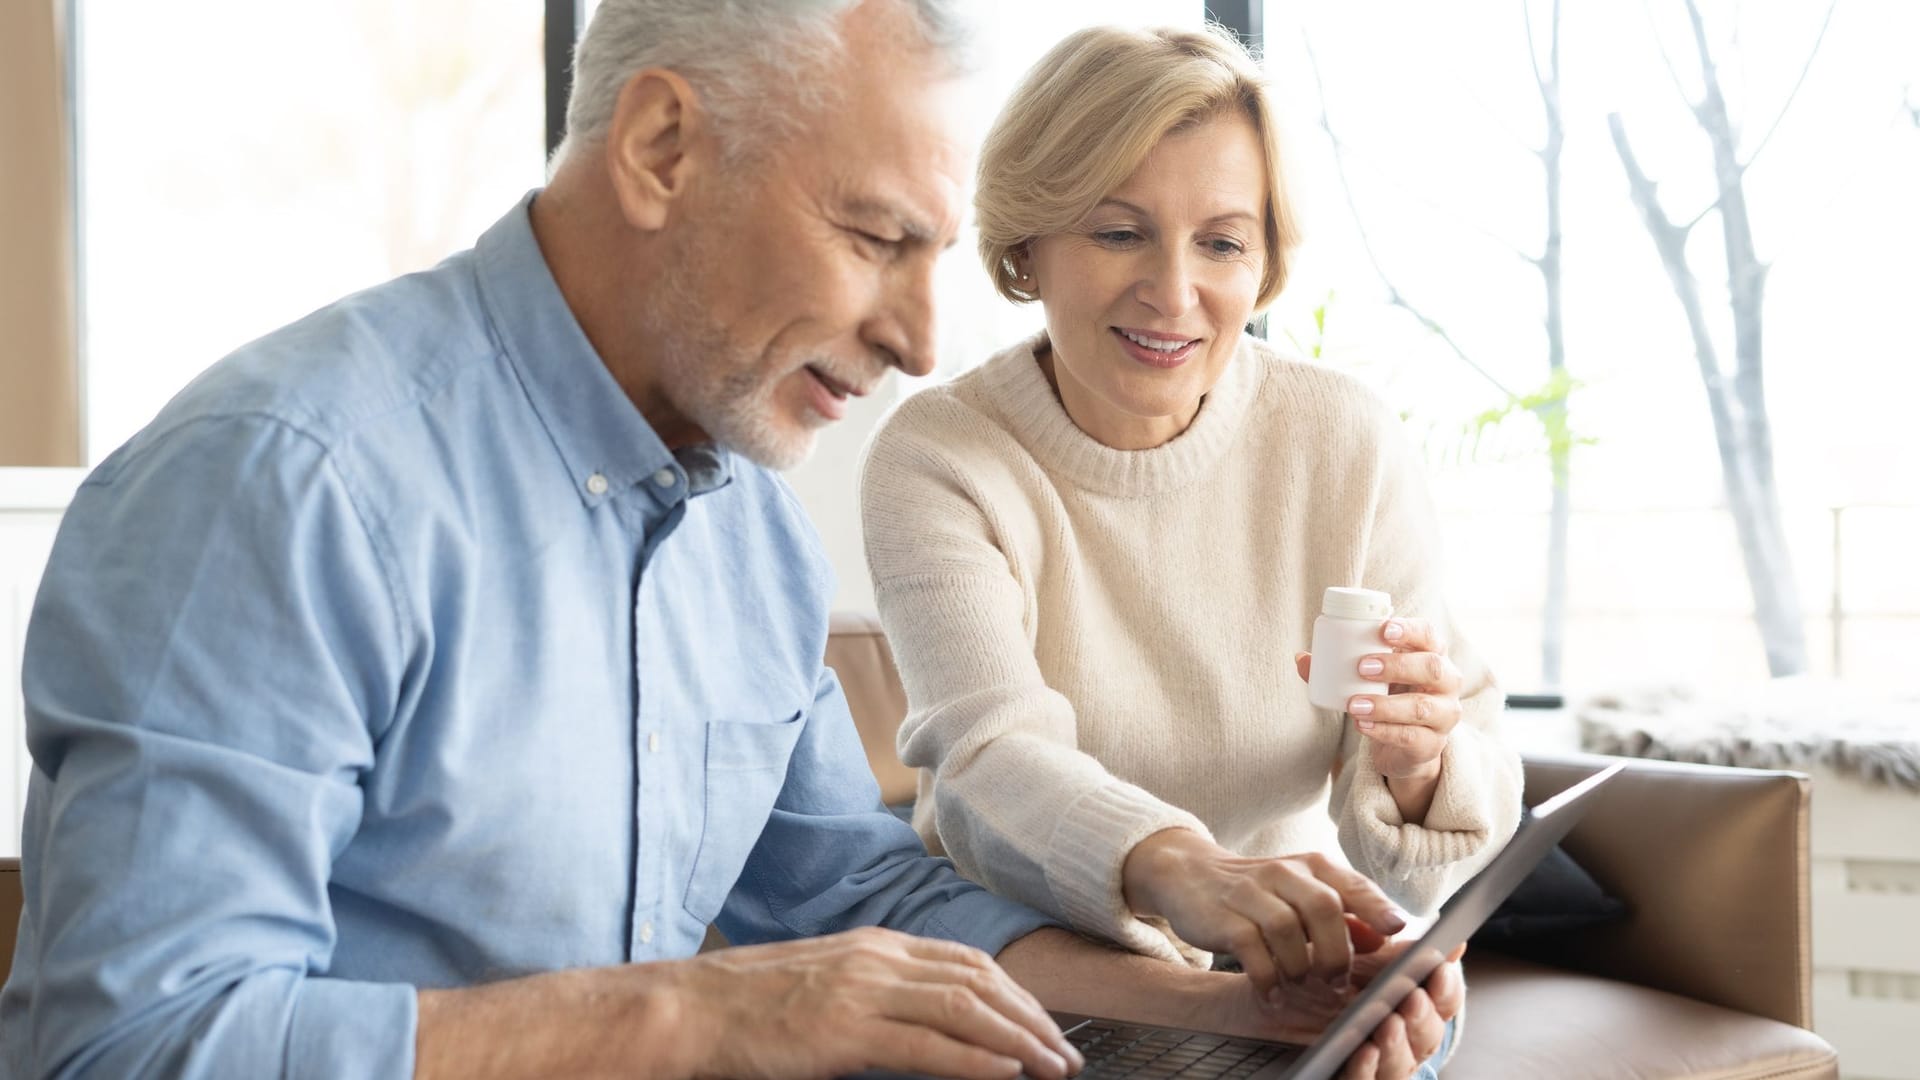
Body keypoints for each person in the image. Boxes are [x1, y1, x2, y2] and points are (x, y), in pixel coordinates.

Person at [0, 3, 1459, 1080]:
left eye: (933, 258)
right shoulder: (286, 483)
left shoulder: (741, 526)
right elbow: (129, 1045)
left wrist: (1230, 1005)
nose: (916, 340)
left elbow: (853, 887)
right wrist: (690, 1012)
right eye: (876, 240)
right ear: (659, 147)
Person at [860, 22, 1524, 1071]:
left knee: (1391, 1041)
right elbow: (994, 759)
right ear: (1028, 245)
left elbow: (1455, 784)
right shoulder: (942, 456)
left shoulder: (1341, 437)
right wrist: (1191, 873)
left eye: (1221, 242)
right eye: (1118, 233)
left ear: (1262, 266)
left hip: (1307, 964)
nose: (1174, 293)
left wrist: (1413, 762)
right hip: (1047, 967)